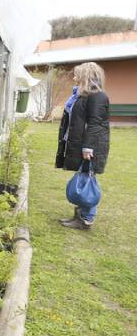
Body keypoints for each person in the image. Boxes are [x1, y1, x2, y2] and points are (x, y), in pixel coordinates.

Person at [55, 62, 110, 230]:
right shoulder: (83, 95)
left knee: (87, 180)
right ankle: (79, 216)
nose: (74, 77)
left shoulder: (97, 96)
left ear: (87, 75)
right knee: (84, 177)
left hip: (91, 146)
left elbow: (95, 124)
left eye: (77, 74)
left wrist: (88, 148)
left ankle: (86, 219)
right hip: (83, 143)